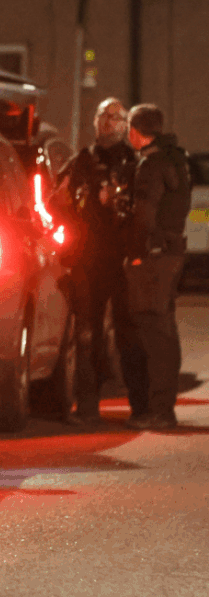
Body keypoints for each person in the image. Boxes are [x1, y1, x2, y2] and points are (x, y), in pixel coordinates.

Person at [52, 97, 142, 425]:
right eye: (103, 115)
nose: (108, 122)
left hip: (123, 260)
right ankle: (87, 405)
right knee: (85, 333)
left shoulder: (135, 163)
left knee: (128, 331)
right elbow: (56, 200)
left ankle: (141, 406)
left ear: (126, 124)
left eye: (115, 117)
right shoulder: (82, 161)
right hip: (88, 260)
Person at [122, 103, 191, 430]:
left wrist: (135, 253)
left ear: (136, 132)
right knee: (165, 329)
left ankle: (159, 411)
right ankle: (164, 407)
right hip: (173, 252)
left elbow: (144, 215)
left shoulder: (150, 166)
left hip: (153, 257)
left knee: (152, 331)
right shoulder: (177, 159)